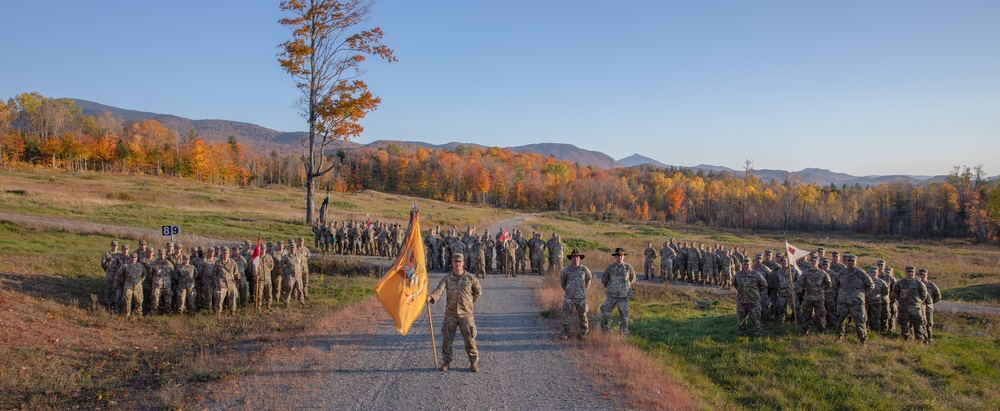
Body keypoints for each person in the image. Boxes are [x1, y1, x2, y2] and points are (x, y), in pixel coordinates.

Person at [428, 253, 483, 372]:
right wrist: (431, 297)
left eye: (459, 262)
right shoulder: (447, 278)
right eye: (455, 262)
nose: (457, 264)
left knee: (470, 338)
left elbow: (478, 292)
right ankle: (446, 362)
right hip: (451, 314)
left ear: (463, 263)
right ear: (452, 263)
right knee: (447, 339)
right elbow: (439, 290)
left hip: (466, 314)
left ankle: (473, 362)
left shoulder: (470, 278)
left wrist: (469, 302)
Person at [833, 255, 875, 345]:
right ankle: (838, 337)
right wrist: (842, 293)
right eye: (849, 261)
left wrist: (862, 294)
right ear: (846, 262)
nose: (851, 262)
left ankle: (862, 340)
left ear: (856, 262)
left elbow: (871, 285)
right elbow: (835, 284)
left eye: (853, 261)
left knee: (860, 323)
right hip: (843, 302)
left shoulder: (861, 273)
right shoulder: (841, 273)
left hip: (857, 303)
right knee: (839, 321)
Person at [600, 248, 637, 333]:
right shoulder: (610, 267)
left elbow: (633, 279)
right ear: (615, 257)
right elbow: (604, 279)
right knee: (605, 313)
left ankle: (623, 333)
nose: (619, 257)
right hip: (611, 296)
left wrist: (625, 287)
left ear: (623, 257)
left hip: (623, 296)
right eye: (617, 256)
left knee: (624, 316)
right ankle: (604, 332)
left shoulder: (628, 267)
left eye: (621, 255)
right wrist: (611, 287)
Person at [560, 249, 593, 340]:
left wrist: (583, 289)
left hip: (581, 297)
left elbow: (588, 280)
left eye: (577, 257)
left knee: (583, 315)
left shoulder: (584, 270)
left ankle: (584, 333)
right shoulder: (566, 270)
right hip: (569, 297)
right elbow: (563, 282)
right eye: (573, 257)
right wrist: (568, 290)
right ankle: (565, 332)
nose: (575, 259)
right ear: (571, 258)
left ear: (579, 258)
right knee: (566, 315)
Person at [892, 266, 928, 342]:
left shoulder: (918, 283)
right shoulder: (900, 283)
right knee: (904, 326)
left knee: (918, 326)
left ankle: (919, 342)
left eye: (912, 272)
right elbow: (895, 293)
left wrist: (917, 302)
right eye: (908, 272)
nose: (910, 273)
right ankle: (905, 342)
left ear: (914, 273)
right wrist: (901, 301)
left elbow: (924, 295)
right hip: (903, 308)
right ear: (905, 272)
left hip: (915, 308)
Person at [734, 257, 768, 337]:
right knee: (741, 318)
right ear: (742, 265)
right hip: (742, 300)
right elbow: (735, 284)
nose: (746, 266)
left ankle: (758, 333)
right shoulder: (738, 275)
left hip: (754, 301)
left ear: (751, 264)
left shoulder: (756, 274)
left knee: (755, 318)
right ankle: (741, 333)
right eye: (744, 264)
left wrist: (756, 293)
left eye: (748, 264)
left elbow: (764, 284)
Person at [917, 269, 941, 343]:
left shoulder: (931, 285)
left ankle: (929, 338)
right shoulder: (916, 284)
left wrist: (931, 303)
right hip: (919, 307)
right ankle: (921, 339)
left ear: (927, 276)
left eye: (923, 275)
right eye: (920, 275)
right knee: (920, 323)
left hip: (927, 308)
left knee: (928, 324)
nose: (921, 276)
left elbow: (938, 295)